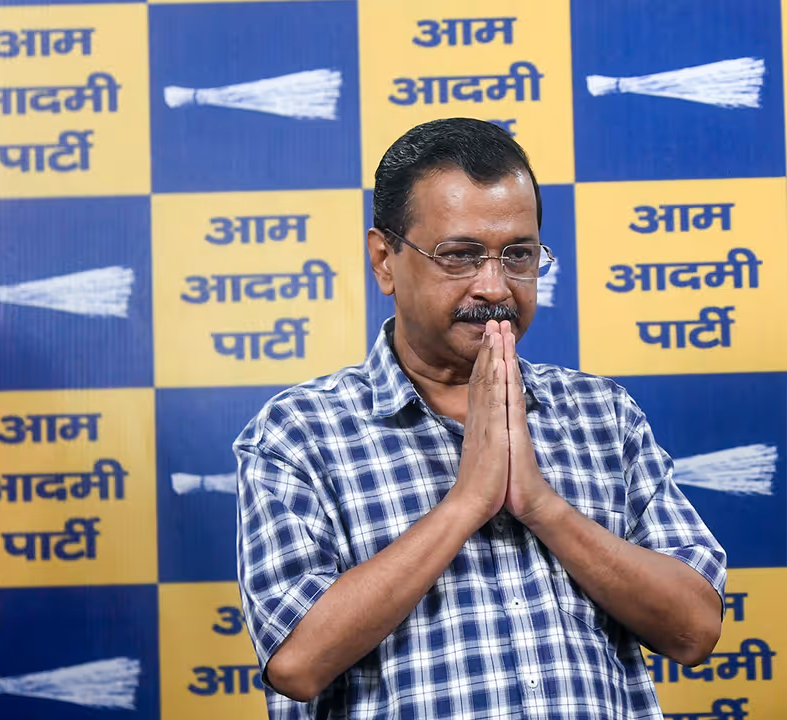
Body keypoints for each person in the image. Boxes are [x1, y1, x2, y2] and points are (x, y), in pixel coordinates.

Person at [233, 118, 726, 719]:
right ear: (384, 260)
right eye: (460, 255)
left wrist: (542, 506)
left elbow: (695, 630)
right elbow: (296, 662)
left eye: (518, 255)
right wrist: (466, 503)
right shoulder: (299, 432)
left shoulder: (603, 413)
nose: (494, 287)